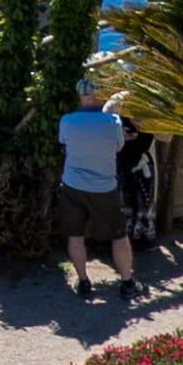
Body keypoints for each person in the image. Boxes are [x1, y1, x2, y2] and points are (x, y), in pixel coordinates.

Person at [56, 94, 138, 294]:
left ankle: (83, 283)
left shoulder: (67, 120)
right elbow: (118, 147)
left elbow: (65, 147)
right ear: (99, 96)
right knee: (118, 235)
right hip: (104, 187)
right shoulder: (113, 122)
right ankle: (128, 284)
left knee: (75, 235)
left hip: (72, 184)